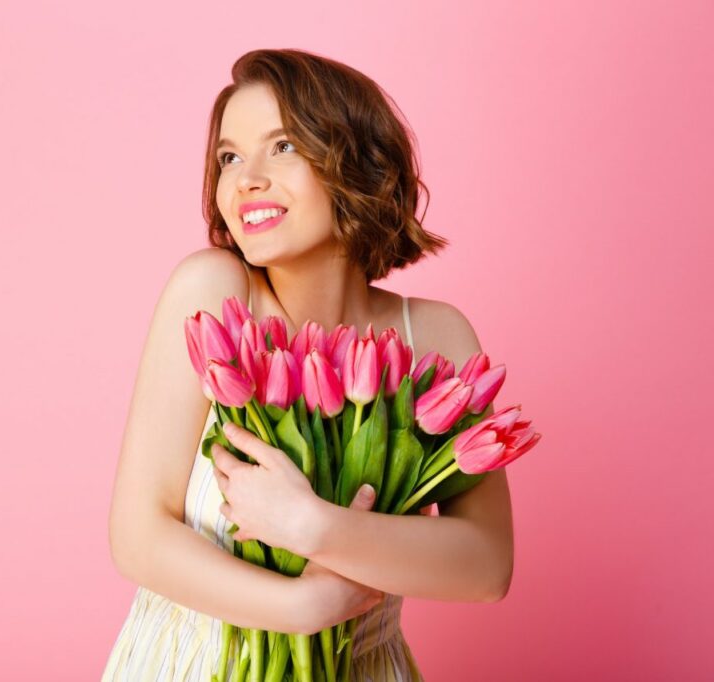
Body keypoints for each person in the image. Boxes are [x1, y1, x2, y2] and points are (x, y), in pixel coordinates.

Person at [103, 48, 513, 681]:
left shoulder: (434, 335)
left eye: (284, 146)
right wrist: (300, 608)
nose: (247, 179)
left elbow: (486, 567)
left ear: (360, 161)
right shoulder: (213, 294)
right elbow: (138, 535)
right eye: (229, 157)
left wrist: (314, 526)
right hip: (191, 665)